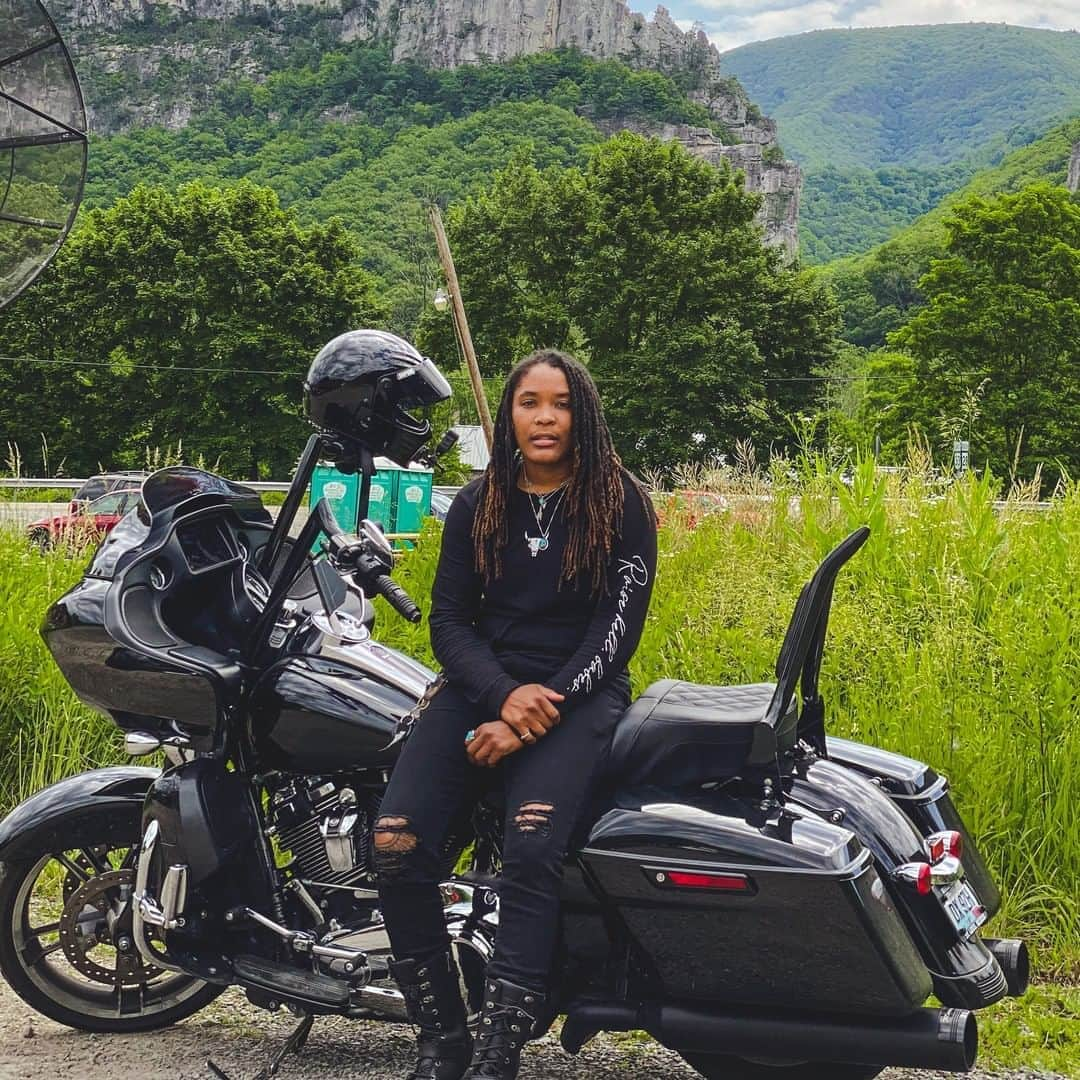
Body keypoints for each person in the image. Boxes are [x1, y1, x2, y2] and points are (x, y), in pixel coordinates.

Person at [374, 348, 658, 1080]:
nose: (544, 417)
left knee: (531, 850)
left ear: (582, 414)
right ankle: (442, 1040)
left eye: (559, 403)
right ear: (508, 414)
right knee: (396, 846)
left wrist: (536, 709)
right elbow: (448, 620)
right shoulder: (478, 501)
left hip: (581, 694)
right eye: (529, 402)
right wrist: (501, 696)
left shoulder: (621, 502)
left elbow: (617, 633)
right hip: (480, 685)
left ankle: (500, 1046)